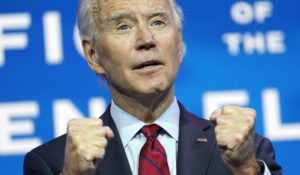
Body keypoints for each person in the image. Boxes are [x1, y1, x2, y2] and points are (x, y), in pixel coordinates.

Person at [23, 0, 282, 174]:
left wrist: (246, 169)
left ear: (179, 44)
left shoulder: (247, 151)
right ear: (93, 55)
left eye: (158, 22)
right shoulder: (52, 163)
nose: (146, 39)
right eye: (123, 26)